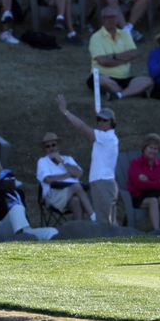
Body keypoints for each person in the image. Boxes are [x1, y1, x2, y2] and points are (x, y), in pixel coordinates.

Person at [57, 95, 119, 224]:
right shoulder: (105, 137)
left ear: (112, 122)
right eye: (99, 119)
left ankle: (112, 244)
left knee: (106, 222)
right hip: (102, 182)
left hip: (103, 182)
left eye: (105, 120)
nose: (101, 122)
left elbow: (82, 127)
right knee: (108, 221)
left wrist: (65, 112)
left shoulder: (106, 137)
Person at [87, 6, 153, 101]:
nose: (110, 20)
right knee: (100, 80)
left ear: (117, 19)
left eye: (113, 17)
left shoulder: (125, 34)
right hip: (104, 75)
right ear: (102, 20)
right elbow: (103, 61)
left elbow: (134, 53)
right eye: (107, 17)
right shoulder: (96, 37)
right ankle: (132, 91)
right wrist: (125, 57)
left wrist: (113, 57)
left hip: (124, 78)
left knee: (147, 80)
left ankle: (119, 94)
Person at [0, 169, 58, 242]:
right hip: (1, 228)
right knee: (17, 208)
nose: (10, 181)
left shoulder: (19, 193)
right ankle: (21, 240)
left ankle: (26, 239)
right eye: (7, 179)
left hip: (24, 229)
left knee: (51, 231)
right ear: (0, 182)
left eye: (13, 179)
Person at [36, 132, 95, 220]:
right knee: (76, 186)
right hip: (53, 195)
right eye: (47, 146)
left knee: (76, 201)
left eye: (53, 145)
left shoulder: (68, 159)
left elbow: (78, 173)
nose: (51, 148)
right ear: (45, 149)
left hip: (70, 195)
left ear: (58, 146)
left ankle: (78, 230)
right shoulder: (43, 161)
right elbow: (48, 179)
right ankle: (93, 217)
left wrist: (62, 162)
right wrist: (67, 175)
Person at [128, 133, 160, 230]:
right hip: (139, 196)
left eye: (156, 149)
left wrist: (148, 181)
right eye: (150, 148)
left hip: (156, 193)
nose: (153, 151)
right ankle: (157, 233)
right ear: (144, 148)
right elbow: (138, 184)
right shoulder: (136, 163)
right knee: (153, 201)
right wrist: (157, 182)